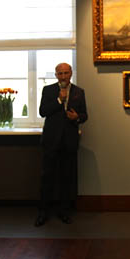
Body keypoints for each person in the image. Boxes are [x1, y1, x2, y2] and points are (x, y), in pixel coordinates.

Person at [35, 63, 88, 227]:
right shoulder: (48, 90)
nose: (63, 76)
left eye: (66, 73)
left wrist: (77, 117)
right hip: (51, 141)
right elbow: (42, 112)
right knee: (47, 178)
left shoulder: (79, 92)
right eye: (60, 73)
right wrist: (59, 100)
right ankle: (43, 212)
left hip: (69, 141)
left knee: (66, 178)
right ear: (56, 75)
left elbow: (85, 115)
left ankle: (64, 211)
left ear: (71, 73)